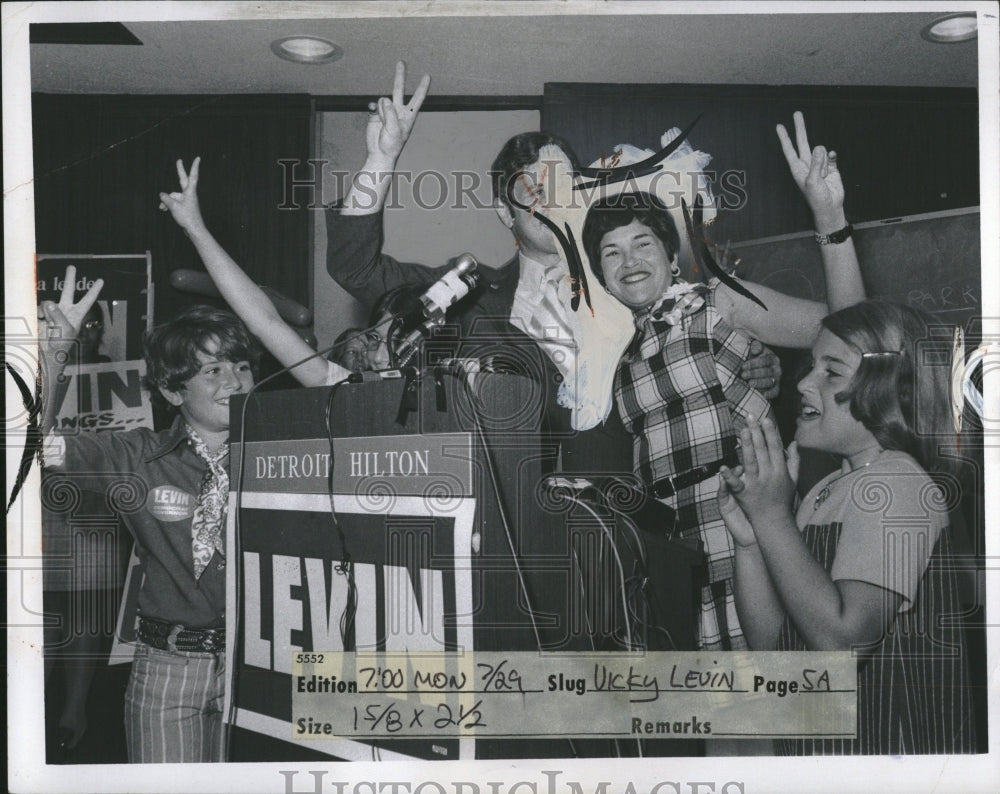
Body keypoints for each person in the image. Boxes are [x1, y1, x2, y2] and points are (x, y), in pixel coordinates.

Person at [325, 62, 781, 477]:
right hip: (526, 519)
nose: (553, 198)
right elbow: (356, 267)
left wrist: (751, 362)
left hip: (642, 508)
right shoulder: (469, 293)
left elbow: (697, 348)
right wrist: (380, 158)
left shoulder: (628, 274)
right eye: (534, 189)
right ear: (507, 214)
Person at [580, 112, 866, 650]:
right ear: (601, 275)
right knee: (711, 720)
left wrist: (829, 216)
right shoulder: (619, 357)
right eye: (611, 253)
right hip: (669, 552)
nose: (629, 261)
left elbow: (850, 330)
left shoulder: (720, 301)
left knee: (770, 706)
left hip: (747, 533)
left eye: (642, 243)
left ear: (670, 253)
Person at [717, 300, 976, 754]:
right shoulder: (827, 489)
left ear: (893, 392)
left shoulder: (898, 483)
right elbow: (776, 651)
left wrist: (775, 517)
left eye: (831, 372)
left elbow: (845, 642)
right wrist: (752, 541)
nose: (802, 383)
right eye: (810, 366)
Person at [39, 267, 257, 763]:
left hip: (257, 667)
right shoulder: (137, 457)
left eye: (242, 366)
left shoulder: (286, 454)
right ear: (172, 391)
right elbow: (28, 446)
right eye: (213, 371)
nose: (235, 381)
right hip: (168, 668)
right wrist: (55, 350)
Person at [159, 157, 392, 385]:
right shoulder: (354, 390)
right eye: (375, 341)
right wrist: (196, 228)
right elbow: (265, 322)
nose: (379, 358)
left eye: (393, 343)